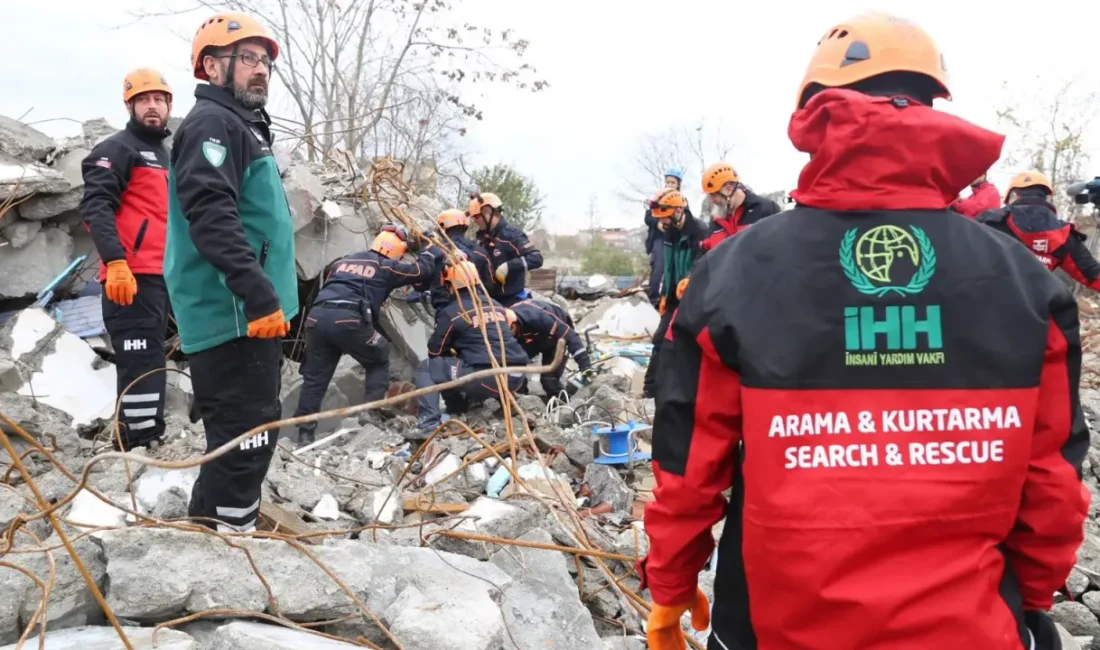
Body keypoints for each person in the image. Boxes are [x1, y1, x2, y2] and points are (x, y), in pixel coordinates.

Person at [640, 12, 1088, 650]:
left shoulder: (733, 272)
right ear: (935, 104)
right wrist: (1032, 598)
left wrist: (671, 582)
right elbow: (1054, 479)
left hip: (773, 629)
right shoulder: (1023, 282)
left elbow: (688, 469)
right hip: (971, 628)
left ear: (814, 109)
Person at [165, 11, 298, 534]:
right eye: (247, 59)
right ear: (210, 67)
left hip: (247, 310)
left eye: (264, 61)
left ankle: (208, 530)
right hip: (234, 312)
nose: (260, 69)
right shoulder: (212, 125)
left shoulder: (241, 125)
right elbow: (212, 218)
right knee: (247, 437)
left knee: (240, 432)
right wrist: (259, 296)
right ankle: (232, 547)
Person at [80, 69, 174, 451]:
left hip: (163, 276)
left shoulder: (168, 154)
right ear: (130, 105)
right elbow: (96, 207)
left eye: (159, 99)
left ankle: (133, 438)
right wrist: (116, 261)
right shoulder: (117, 149)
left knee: (150, 358)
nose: (152, 106)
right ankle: (141, 445)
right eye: (143, 100)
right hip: (130, 277)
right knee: (143, 361)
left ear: (169, 106)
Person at [292, 225, 442, 443]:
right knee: (378, 357)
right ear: (395, 251)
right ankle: (369, 411)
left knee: (316, 378)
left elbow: (328, 278)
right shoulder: (385, 266)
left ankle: (305, 433)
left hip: (317, 319)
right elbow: (421, 271)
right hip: (349, 319)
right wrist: (430, 248)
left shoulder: (343, 261)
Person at [414, 261, 529, 436]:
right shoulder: (495, 304)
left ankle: (428, 425)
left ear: (451, 285)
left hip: (486, 379)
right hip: (517, 376)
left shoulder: (452, 312)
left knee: (429, 367)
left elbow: (435, 352)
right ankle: (475, 408)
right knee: (480, 359)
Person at [979, 170, 1100, 289]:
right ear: (1045, 198)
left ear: (1013, 196)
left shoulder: (990, 221)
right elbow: (1094, 275)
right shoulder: (1064, 234)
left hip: (987, 303)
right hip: (1037, 306)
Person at [641, 188, 706, 399]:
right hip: (672, 298)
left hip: (694, 298)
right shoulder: (668, 233)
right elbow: (667, 268)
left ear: (678, 210)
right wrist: (664, 295)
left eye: (664, 217)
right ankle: (651, 388)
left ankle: (691, 388)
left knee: (690, 344)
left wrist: (690, 278)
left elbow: (702, 262)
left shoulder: (700, 231)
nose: (662, 222)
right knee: (660, 340)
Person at [505, 299, 594, 399]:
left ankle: (563, 406)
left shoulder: (538, 317)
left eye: (510, 332)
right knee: (515, 375)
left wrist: (585, 365)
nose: (508, 335)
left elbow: (571, 336)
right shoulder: (504, 329)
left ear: (514, 324)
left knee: (549, 380)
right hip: (530, 340)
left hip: (555, 340)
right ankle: (522, 403)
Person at [470, 192, 544, 306]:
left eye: (477, 216)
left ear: (488, 212)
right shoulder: (482, 240)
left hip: (512, 300)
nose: (475, 220)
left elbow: (536, 258)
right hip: (489, 301)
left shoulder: (512, 236)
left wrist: (508, 266)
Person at [418, 208, 494, 310]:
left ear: (443, 227)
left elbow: (420, 283)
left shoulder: (438, 249)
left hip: (444, 306)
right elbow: (490, 284)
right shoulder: (481, 252)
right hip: (477, 304)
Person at [699, 162, 782, 251]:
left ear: (729, 188)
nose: (712, 200)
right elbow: (704, 258)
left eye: (713, 195)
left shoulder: (766, 210)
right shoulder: (715, 223)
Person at [645, 168, 687, 307]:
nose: (669, 184)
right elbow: (648, 217)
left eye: (672, 182)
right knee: (659, 266)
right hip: (660, 239)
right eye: (667, 182)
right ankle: (653, 299)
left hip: (675, 239)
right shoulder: (657, 198)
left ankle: (672, 297)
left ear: (678, 185)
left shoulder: (682, 201)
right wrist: (658, 224)